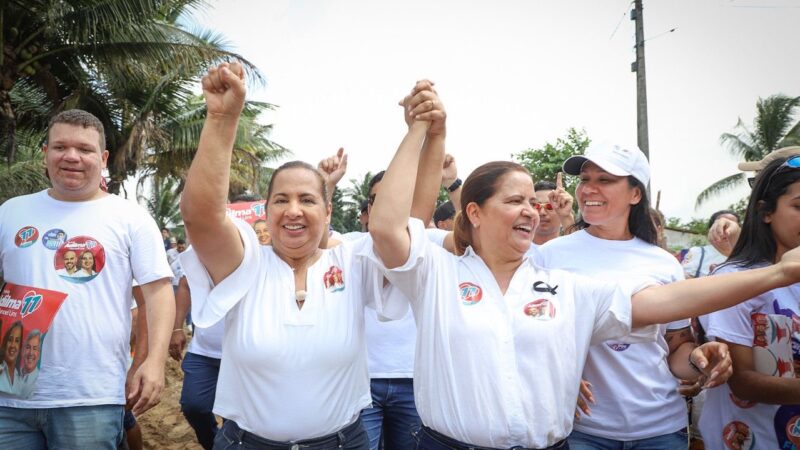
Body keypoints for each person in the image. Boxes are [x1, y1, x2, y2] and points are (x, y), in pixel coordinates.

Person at [368, 82, 800, 449]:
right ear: (475, 213)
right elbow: (391, 228)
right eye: (516, 201)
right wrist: (424, 132)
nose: (532, 212)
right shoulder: (439, 273)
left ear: (636, 193)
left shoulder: (565, 286)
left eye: (534, 204)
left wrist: (778, 273)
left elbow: (664, 302)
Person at [179, 62, 415, 449]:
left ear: (327, 212)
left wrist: (419, 134)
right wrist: (222, 118)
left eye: (307, 199)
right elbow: (201, 216)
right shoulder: (244, 264)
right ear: (266, 211)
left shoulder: (353, 262)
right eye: (281, 200)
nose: (293, 210)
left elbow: (400, 227)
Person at [0, 109, 175, 448]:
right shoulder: (10, 212)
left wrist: (154, 362)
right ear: (45, 153)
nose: (71, 156)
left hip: (90, 397)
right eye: (60, 147)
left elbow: (157, 294)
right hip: (11, 395)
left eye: (84, 149)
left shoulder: (130, 218)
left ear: (103, 157)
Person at [536, 142, 723, 448]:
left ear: (635, 194)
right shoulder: (550, 256)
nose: (588, 189)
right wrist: (559, 376)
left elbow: (676, 347)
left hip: (660, 429)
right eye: (585, 179)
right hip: (582, 429)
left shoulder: (663, 263)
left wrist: (699, 360)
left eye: (605, 180)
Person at [698, 155, 800, 450]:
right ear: (765, 212)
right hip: (751, 438)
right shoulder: (735, 280)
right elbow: (741, 379)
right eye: (798, 206)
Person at [681, 210, 741, 278]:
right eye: (722, 226)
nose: (728, 231)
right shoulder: (698, 253)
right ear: (711, 230)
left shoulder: (748, 255)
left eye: (733, 226)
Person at [532, 176, 575, 247]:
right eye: (537, 206)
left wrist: (567, 218)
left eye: (549, 206)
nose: (542, 213)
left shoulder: (572, 248)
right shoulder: (514, 251)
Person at [14, 329, 42, 398]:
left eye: (35, 348)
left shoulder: (40, 380)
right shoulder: (13, 373)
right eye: (28, 347)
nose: (31, 353)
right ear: (23, 350)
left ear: (39, 353)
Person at [0, 322, 23, 393]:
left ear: (20, 346)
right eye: (10, 339)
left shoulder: (20, 377)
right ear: (5, 343)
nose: (13, 345)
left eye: (17, 341)